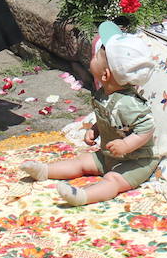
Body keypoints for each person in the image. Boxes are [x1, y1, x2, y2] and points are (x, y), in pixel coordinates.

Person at [20, 20, 158, 205]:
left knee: (113, 180)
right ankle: (45, 170)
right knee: (81, 162)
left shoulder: (129, 104)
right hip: (109, 154)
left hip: (136, 162)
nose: (91, 58)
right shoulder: (104, 94)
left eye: (95, 58)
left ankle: (83, 196)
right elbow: (107, 118)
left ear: (105, 75)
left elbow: (147, 128)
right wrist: (95, 129)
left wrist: (127, 144)